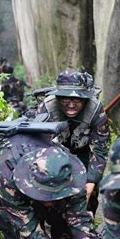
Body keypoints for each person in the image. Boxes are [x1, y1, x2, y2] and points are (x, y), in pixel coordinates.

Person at [37, 69, 110, 215]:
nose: (71, 105)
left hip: (83, 151)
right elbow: (39, 145)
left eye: (77, 100)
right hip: (54, 152)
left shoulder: (95, 110)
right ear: (57, 98)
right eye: (65, 99)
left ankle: (86, 221)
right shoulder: (47, 108)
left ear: (85, 99)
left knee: (89, 192)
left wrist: (91, 181)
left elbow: (100, 147)